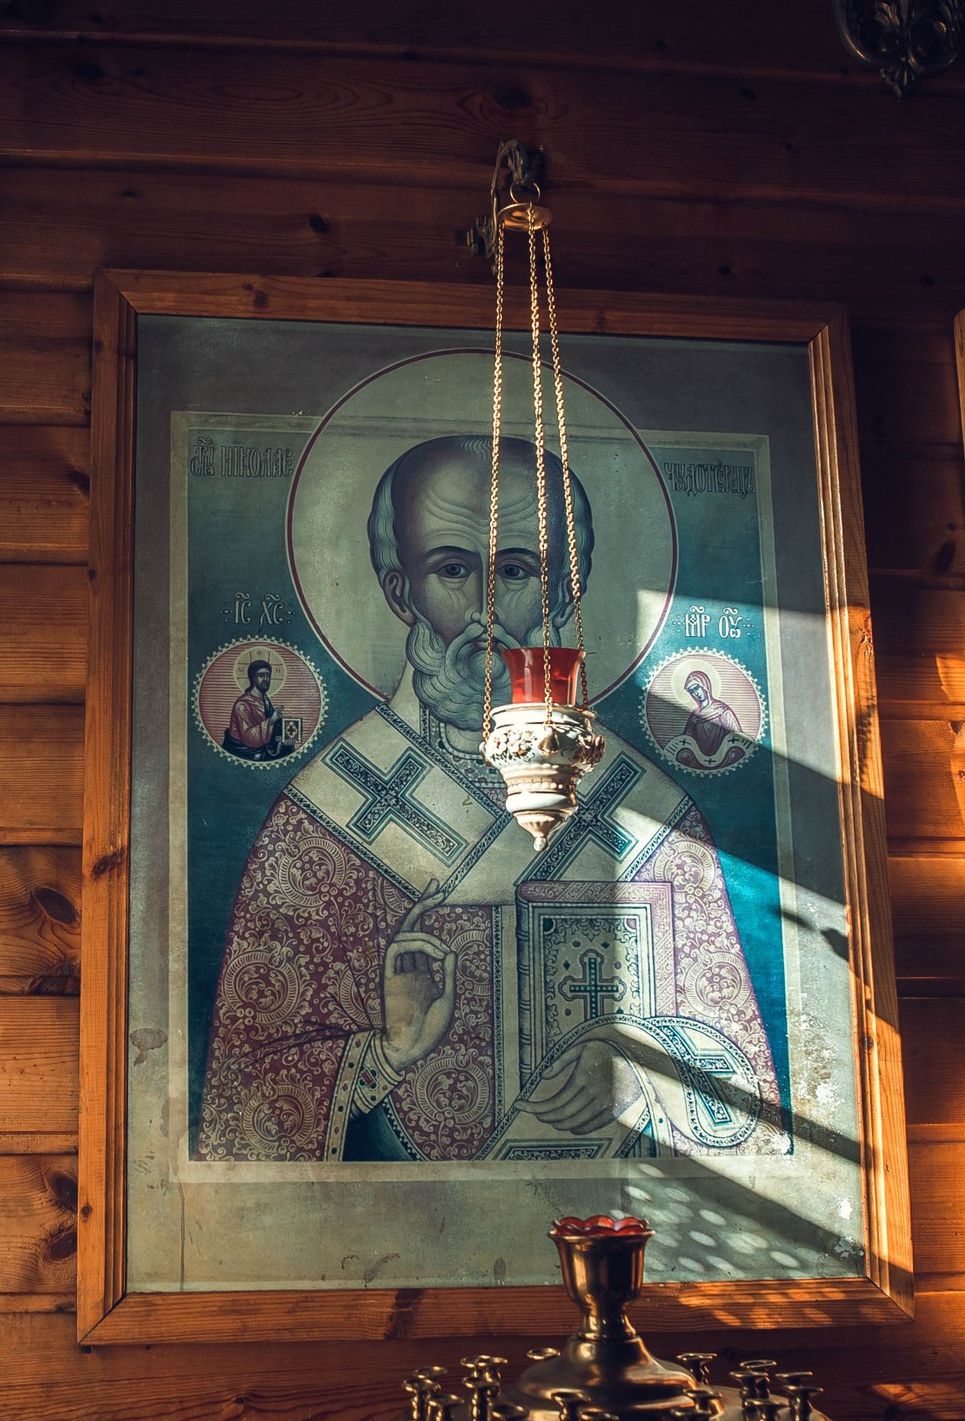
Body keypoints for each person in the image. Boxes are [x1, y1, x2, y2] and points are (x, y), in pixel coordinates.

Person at [195, 435, 783, 1163]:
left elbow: (743, 1077)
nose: (485, 610)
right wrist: (385, 1053)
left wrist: (638, 1064)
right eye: (452, 569)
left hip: (614, 1209)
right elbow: (244, 1099)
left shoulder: (648, 809)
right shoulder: (327, 813)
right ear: (401, 592)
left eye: (515, 570)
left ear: (564, 588)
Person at [222, 656, 292, 761]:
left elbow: (275, 726)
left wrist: (284, 736)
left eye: (268, 675)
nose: (266, 679)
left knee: (287, 745)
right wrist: (271, 721)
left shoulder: (264, 700)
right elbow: (248, 737)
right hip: (245, 750)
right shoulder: (242, 705)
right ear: (252, 678)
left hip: (261, 744)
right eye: (261, 676)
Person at [675, 670, 748, 767]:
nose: (695, 693)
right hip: (697, 759)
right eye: (691, 691)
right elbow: (686, 740)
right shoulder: (695, 715)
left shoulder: (722, 710)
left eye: (696, 688)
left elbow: (737, 737)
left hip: (722, 759)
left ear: (705, 685)